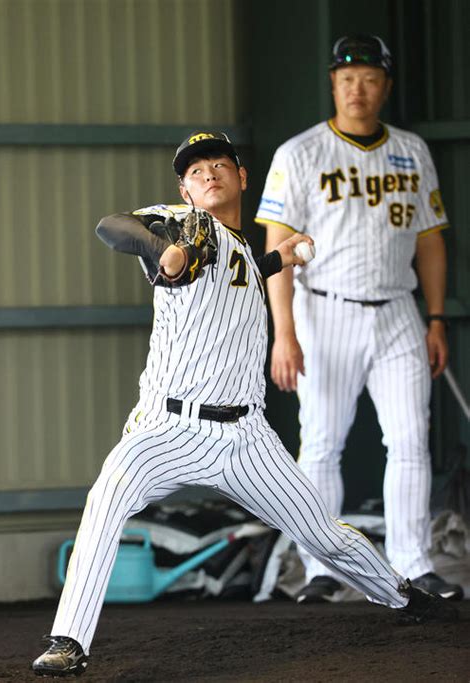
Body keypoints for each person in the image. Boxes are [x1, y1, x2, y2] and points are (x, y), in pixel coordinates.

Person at [32, 131, 456, 678]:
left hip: (246, 437)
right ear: (183, 189)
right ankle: (68, 640)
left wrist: (280, 256)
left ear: (242, 177)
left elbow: (243, 270)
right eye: (195, 170)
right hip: (168, 426)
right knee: (106, 499)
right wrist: (166, 251)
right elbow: (111, 227)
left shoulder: (238, 250)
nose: (208, 173)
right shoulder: (186, 224)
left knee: (322, 532)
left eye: (219, 164)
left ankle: (401, 594)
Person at [255, 35, 463, 605]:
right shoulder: (300, 152)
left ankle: (413, 564)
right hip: (326, 306)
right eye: (347, 78)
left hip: (398, 309)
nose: (357, 88)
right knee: (321, 443)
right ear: (332, 84)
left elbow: (430, 240)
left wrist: (436, 317)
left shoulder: (413, 150)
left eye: (370, 78)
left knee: (410, 440)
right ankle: (322, 569)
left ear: (386, 87)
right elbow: (277, 247)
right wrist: (286, 331)